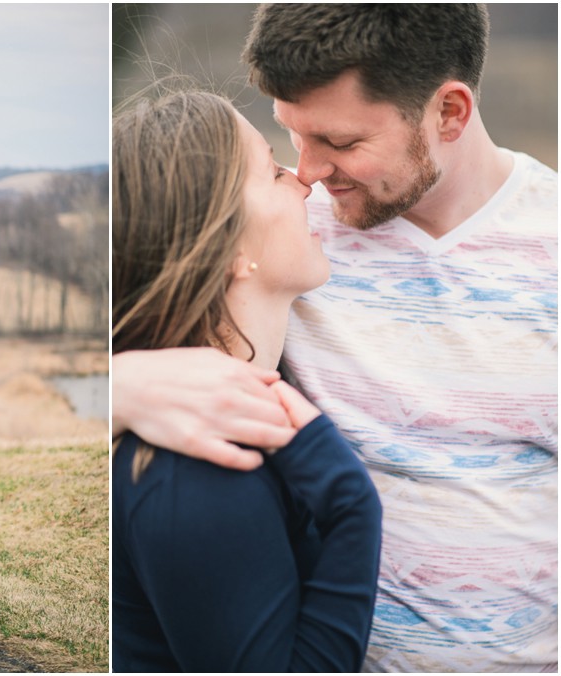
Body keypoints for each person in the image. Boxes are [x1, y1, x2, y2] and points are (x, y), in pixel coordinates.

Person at [112, 4, 558, 672]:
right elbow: (170, 284)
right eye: (289, 135)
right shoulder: (295, 234)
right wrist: (123, 383)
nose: (310, 173)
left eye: (341, 143)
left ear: (450, 113)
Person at [112, 89, 382, 672]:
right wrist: (353, 503)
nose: (303, 182)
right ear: (231, 244)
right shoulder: (199, 472)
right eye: (271, 169)